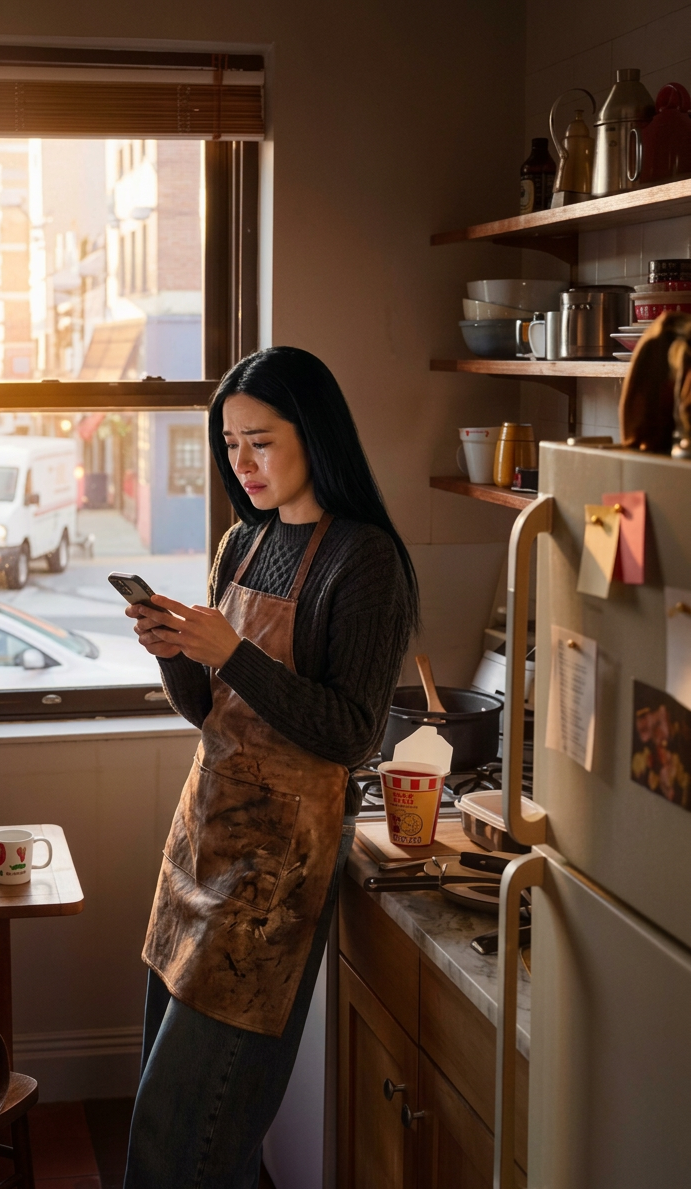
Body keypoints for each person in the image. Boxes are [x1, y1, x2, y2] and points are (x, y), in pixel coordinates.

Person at [122, 346, 419, 1189]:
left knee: (184, 1143)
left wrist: (237, 652)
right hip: (199, 849)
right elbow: (211, 710)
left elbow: (354, 732)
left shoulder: (365, 563)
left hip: (273, 882)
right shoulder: (241, 545)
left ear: (313, 434)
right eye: (229, 445)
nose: (241, 463)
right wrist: (176, 653)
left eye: (260, 441)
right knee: (180, 1118)